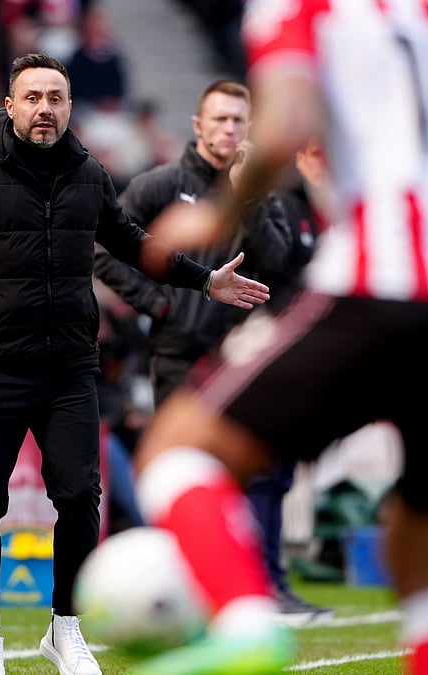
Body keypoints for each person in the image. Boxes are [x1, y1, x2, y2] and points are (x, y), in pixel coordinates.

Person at [129, 2, 428, 674]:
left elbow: (284, 123)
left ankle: (246, 619)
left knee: (178, 450)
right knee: (426, 563)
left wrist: (218, 213)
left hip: (381, 283)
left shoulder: (310, 7)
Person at [0, 52, 269, 675]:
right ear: (10, 106)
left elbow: (134, 245)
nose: (45, 109)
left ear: (69, 107)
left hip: (69, 370)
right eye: (33, 98)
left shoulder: (90, 175)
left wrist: (205, 282)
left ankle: (64, 629)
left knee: (80, 498)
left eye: (56, 98)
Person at [93, 81, 329, 623]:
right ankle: (182, 593)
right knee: (181, 473)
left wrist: (246, 197)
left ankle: (258, 587)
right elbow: (104, 250)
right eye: (219, 120)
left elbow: (278, 260)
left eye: (238, 122)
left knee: (259, 474)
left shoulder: (259, 190)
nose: (229, 129)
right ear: (198, 126)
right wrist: (157, 304)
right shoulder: (160, 185)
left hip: (243, 356)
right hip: (180, 351)